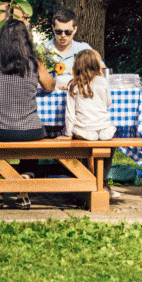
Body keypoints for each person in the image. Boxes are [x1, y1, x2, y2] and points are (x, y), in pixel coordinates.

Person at [0, 17, 51, 208]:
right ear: (26, 39)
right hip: (28, 130)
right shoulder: (34, 62)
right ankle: (24, 179)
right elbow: (49, 86)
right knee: (35, 141)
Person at [60, 48, 119, 198]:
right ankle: (102, 181)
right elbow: (108, 103)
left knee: (85, 148)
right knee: (110, 146)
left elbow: (70, 113)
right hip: (103, 130)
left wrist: (68, 134)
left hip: (84, 131)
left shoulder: (73, 84)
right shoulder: (102, 81)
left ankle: (87, 179)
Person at [41, 8, 102, 90]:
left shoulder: (83, 49)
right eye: (58, 32)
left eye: (68, 32)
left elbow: (101, 70)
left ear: (75, 29)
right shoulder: (42, 49)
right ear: (53, 28)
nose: (63, 35)